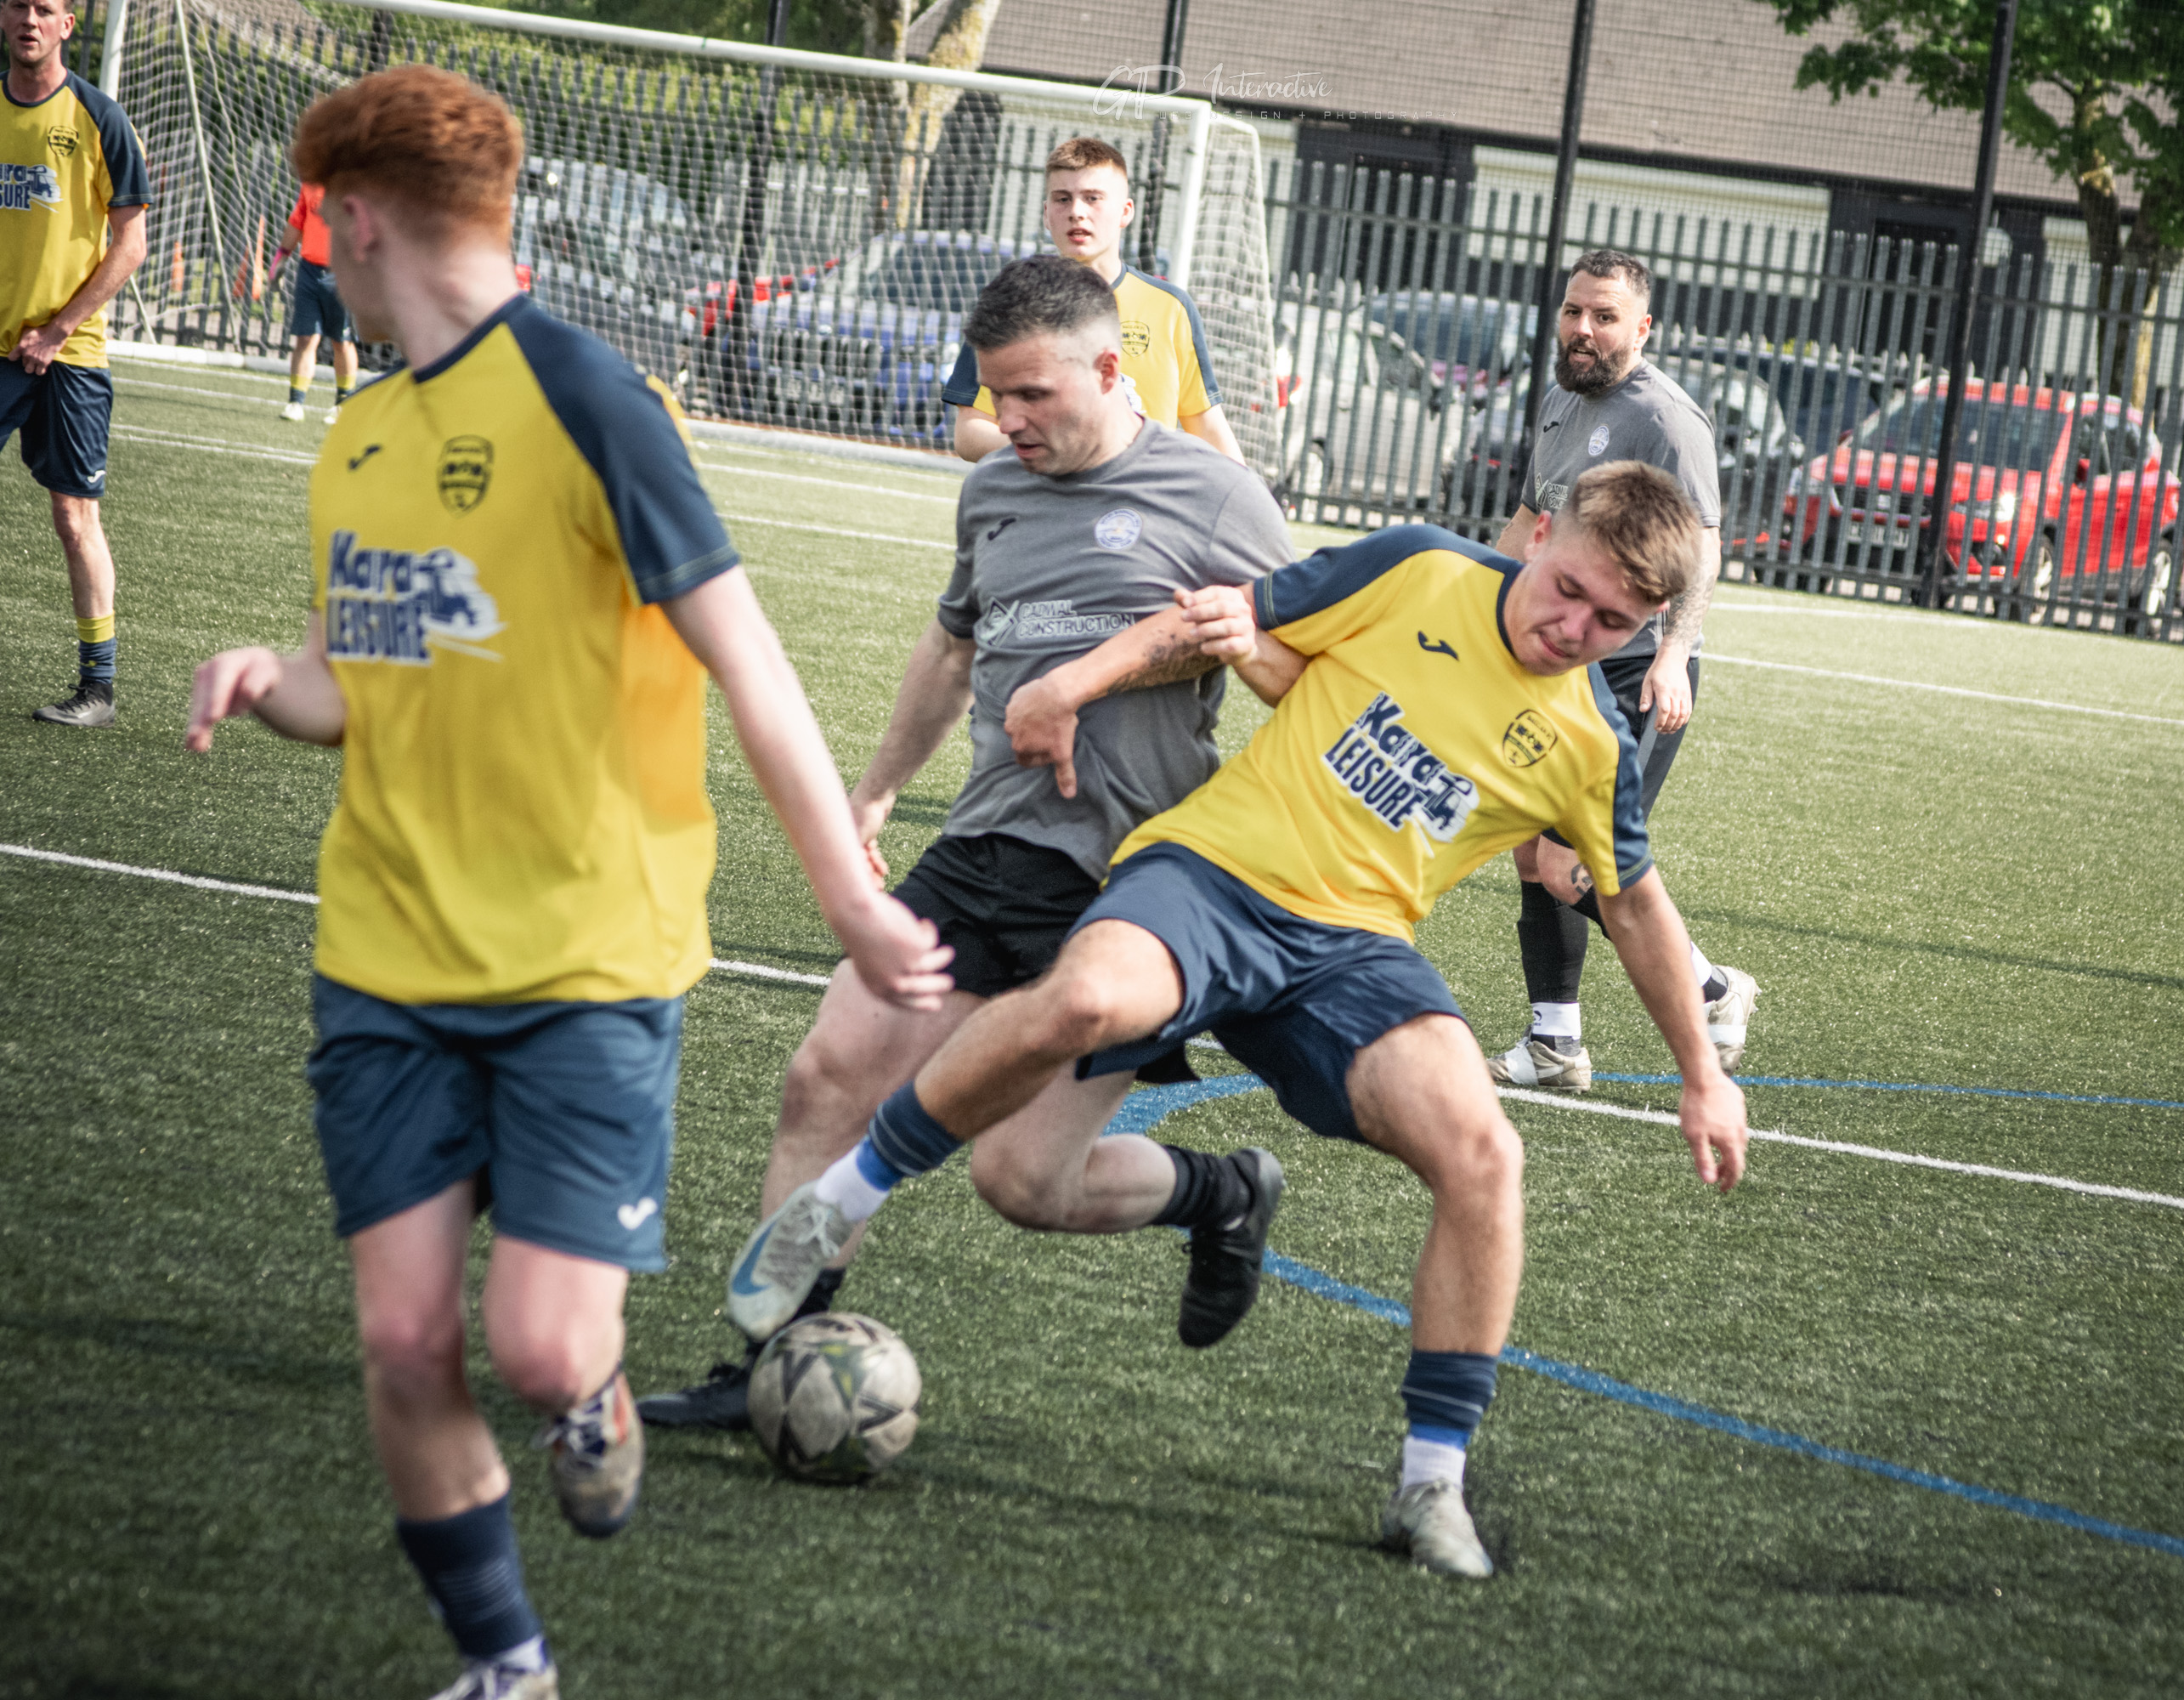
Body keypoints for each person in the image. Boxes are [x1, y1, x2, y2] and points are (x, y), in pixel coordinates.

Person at [184, 66, 951, 1700]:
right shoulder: (365, 429)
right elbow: (356, 675)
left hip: (587, 965)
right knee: (402, 1342)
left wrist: (850, 902)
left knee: (537, 1347)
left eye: (322, 226)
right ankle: (507, 1664)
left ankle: (589, 1405)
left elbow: (751, 669)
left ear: (362, 217)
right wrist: (268, 671)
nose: (317, 255)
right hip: (384, 960)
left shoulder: (597, 401)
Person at [729, 462, 1751, 1580]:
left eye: (1616, 623)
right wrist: (1071, 687)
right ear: (1540, 534)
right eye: (1568, 589)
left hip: (1354, 951)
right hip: (1212, 875)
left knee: (1484, 1154)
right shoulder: (1419, 567)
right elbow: (1219, 622)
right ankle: (841, 1200)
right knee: (1075, 1022)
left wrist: (1702, 1072)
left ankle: (1431, 1485)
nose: (1576, 628)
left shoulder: (1592, 742)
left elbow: (1635, 902)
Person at [642, 254, 1293, 1429]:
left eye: (1034, 395)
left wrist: (1194, 643)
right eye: (996, 395)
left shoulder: (1217, 496)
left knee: (1024, 1182)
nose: (1007, 421)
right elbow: (951, 652)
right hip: (987, 844)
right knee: (827, 1075)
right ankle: (768, 1365)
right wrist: (877, 791)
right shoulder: (991, 492)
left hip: (1129, 886)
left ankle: (1223, 1192)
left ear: (1109, 366)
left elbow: (1300, 676)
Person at [1483, 249, 1757, 1092]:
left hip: (1638, 670)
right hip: (1565, 662)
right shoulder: (1563, 400)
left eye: (1604, 317)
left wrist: (1674, 654)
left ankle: (1712, 987)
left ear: (1643, 328)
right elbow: (1533, 515)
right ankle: (1554, 1042)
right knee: (1535, 853)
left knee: (1574, 864)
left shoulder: (1669, 422)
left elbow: (1703, 546)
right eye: (1574, 312)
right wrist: (1471, 603)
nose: (1583, 330)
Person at [3, 0, 149, 728]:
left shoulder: (100, 118)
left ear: (65, 26)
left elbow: (131, 244)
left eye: (46, 9)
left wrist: (57, 331)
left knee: (73, 515)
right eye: (18, 5)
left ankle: (99, 690)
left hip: (69, 354)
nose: (30, 18)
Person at [942, 136, 1243, 467]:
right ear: (1046, 213)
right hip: (1045, 505)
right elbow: (969, 434)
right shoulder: (1011, 304)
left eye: (1093, 198)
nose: (1076, 212)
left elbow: (1210, 430)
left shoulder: (1170, 308)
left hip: (1139, 505)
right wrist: (1073, 449)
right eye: (1062, 199)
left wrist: (1247, 502)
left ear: (1125, 212)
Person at [274, 180, 359, 422]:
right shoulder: (311, 184)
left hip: (343, 270)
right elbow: (297, 221)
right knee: (305, 337)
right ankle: (295, 402)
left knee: (341, 341)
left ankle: (343, 403)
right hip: (309, 270)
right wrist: (281, 257)